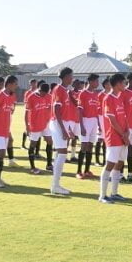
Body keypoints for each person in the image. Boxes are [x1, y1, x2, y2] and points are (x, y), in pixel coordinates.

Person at [97, 73, 130, 203]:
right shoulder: (108, 98)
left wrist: (127, 132)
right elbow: (112, 120)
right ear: (117, 84)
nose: (125, 85)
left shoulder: (119, 97)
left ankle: (114, 192)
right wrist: (123, 134)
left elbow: (123, 117)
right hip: (114, 137)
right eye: (123, 82)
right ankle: (102, 195)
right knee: (110, 164)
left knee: (120, 163)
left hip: (123, 136)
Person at [46, 67, 77, 195]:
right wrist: (64, 130)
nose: (72, 78)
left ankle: (55, 184)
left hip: (62, 124)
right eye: (71, 76)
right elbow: (57, 110)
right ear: (65, 77)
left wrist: (68, 129)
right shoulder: (59, 89)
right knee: (63, 153)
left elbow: (66, 111)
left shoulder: (65, 90)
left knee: (60, 153)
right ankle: (55, 185)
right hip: (57, 123)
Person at [77, 74, 102, 179]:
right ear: (91, 82)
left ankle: (87, 170)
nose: (98, 83)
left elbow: (96, 111)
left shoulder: (95, 95)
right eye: (96, 81)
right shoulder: (83, 94)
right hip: (85, 121)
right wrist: (81, 126)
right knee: (84, 146)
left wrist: (99, 125)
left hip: (94, 122)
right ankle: (79, 171)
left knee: (90, 146)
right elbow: (79, 110)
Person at [25, 82, 52, 175]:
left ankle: (49, 164)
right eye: (43, 93)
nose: (45, 95)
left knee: (50, 141)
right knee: (33, 144)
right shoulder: (31, 97)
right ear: (39, 90)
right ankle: (32, 167)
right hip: (35, 125)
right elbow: (26, 113)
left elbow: (49, 108)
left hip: (45, 124)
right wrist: (27, 127)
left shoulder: (48, 96)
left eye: (46, 93)